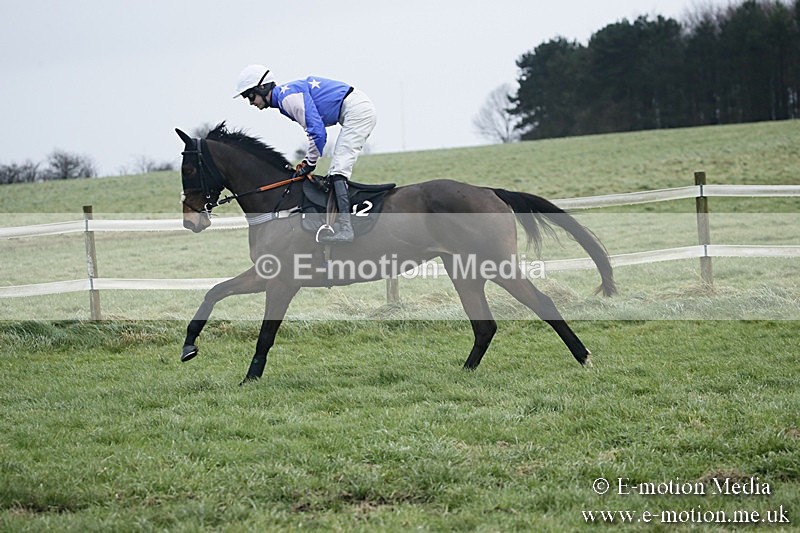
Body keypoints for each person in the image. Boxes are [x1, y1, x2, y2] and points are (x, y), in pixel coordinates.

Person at [234, 64, 377, 243]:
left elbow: (317, 133)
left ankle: (346, 229)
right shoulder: (285, 98)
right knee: (335, 172)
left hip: (357, 111)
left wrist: (310, 163)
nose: (251, 102)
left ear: (262, 88)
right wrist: (309, 162)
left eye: (250, 96)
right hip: (353, 108)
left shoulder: (288, 99)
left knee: (338, 171)